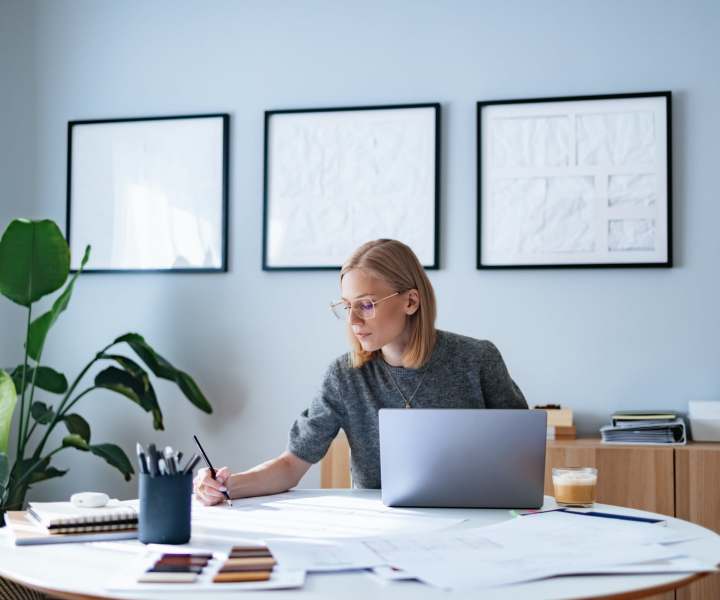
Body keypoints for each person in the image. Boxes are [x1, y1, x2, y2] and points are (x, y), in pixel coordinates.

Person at [194, 239, 527, 505]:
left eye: (366, 304)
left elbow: (522, 453)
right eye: (347, 306)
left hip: (476, 523)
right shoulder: (344, 376)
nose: (353, 322)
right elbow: (290, 466)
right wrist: (227, 486)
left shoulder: (477, 359)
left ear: (410, 302)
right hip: (381, 529)